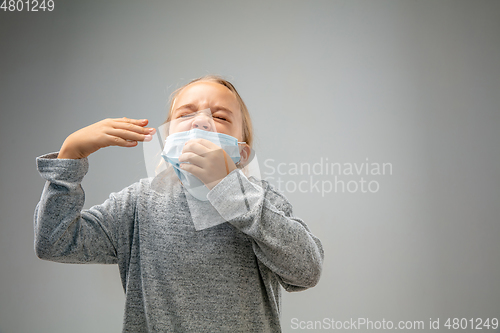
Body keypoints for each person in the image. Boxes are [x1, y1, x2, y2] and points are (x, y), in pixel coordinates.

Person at [34, 75, 324, 332]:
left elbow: (307, 271)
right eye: (186, 114)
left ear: (242, 153)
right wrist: (70, 156)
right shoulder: (138, 203)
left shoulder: (260, 202)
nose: (201, 121)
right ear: (167, 139)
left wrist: (228, 187)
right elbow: (55, 241)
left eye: (221, 118)